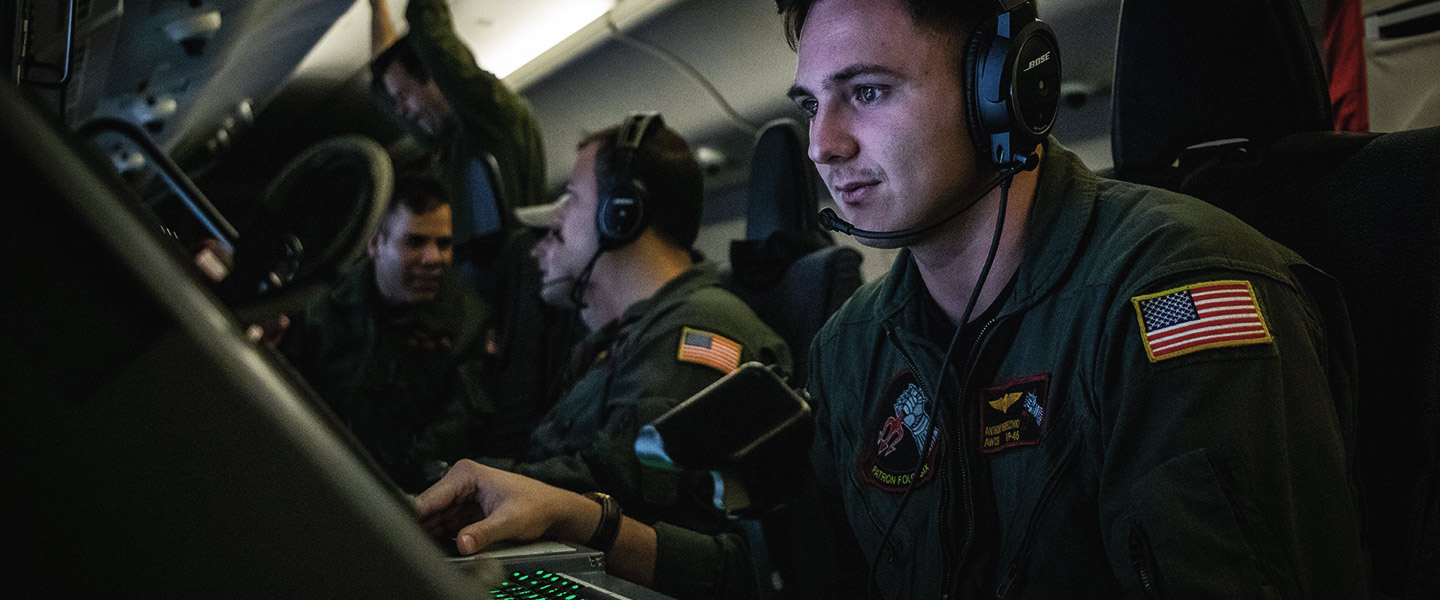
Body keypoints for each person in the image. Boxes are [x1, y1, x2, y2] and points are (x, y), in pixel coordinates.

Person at [417, 1, 1368, 598]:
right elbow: (797, 574)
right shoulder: (857, 345)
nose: (823, 143)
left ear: (1006, 91)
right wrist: (580, 520)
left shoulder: (1171, 296)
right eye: (808, 104)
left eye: (865, 92)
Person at [471, 113, 790, 539]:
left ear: (620, 214)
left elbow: (618, 486)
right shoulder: (629, 337)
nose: (559, 219)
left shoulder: (696, 330)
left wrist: (476, 485)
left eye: (572, 197)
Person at [370, 0, 572, 456]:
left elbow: (434, 40)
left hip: (509, 321)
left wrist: (422, 13)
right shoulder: (450, 142)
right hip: (474, 323)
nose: (403, 109)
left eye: (407, 95)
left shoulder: (495, 119)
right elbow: (385, 80)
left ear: (437, 79)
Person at [279, 175, 493, 493]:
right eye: (415, 241)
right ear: (375, 243)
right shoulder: (319, 309)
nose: (434, 258)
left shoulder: (468, 324)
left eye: (444, 243)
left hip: (404, 493)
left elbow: (458, 428)